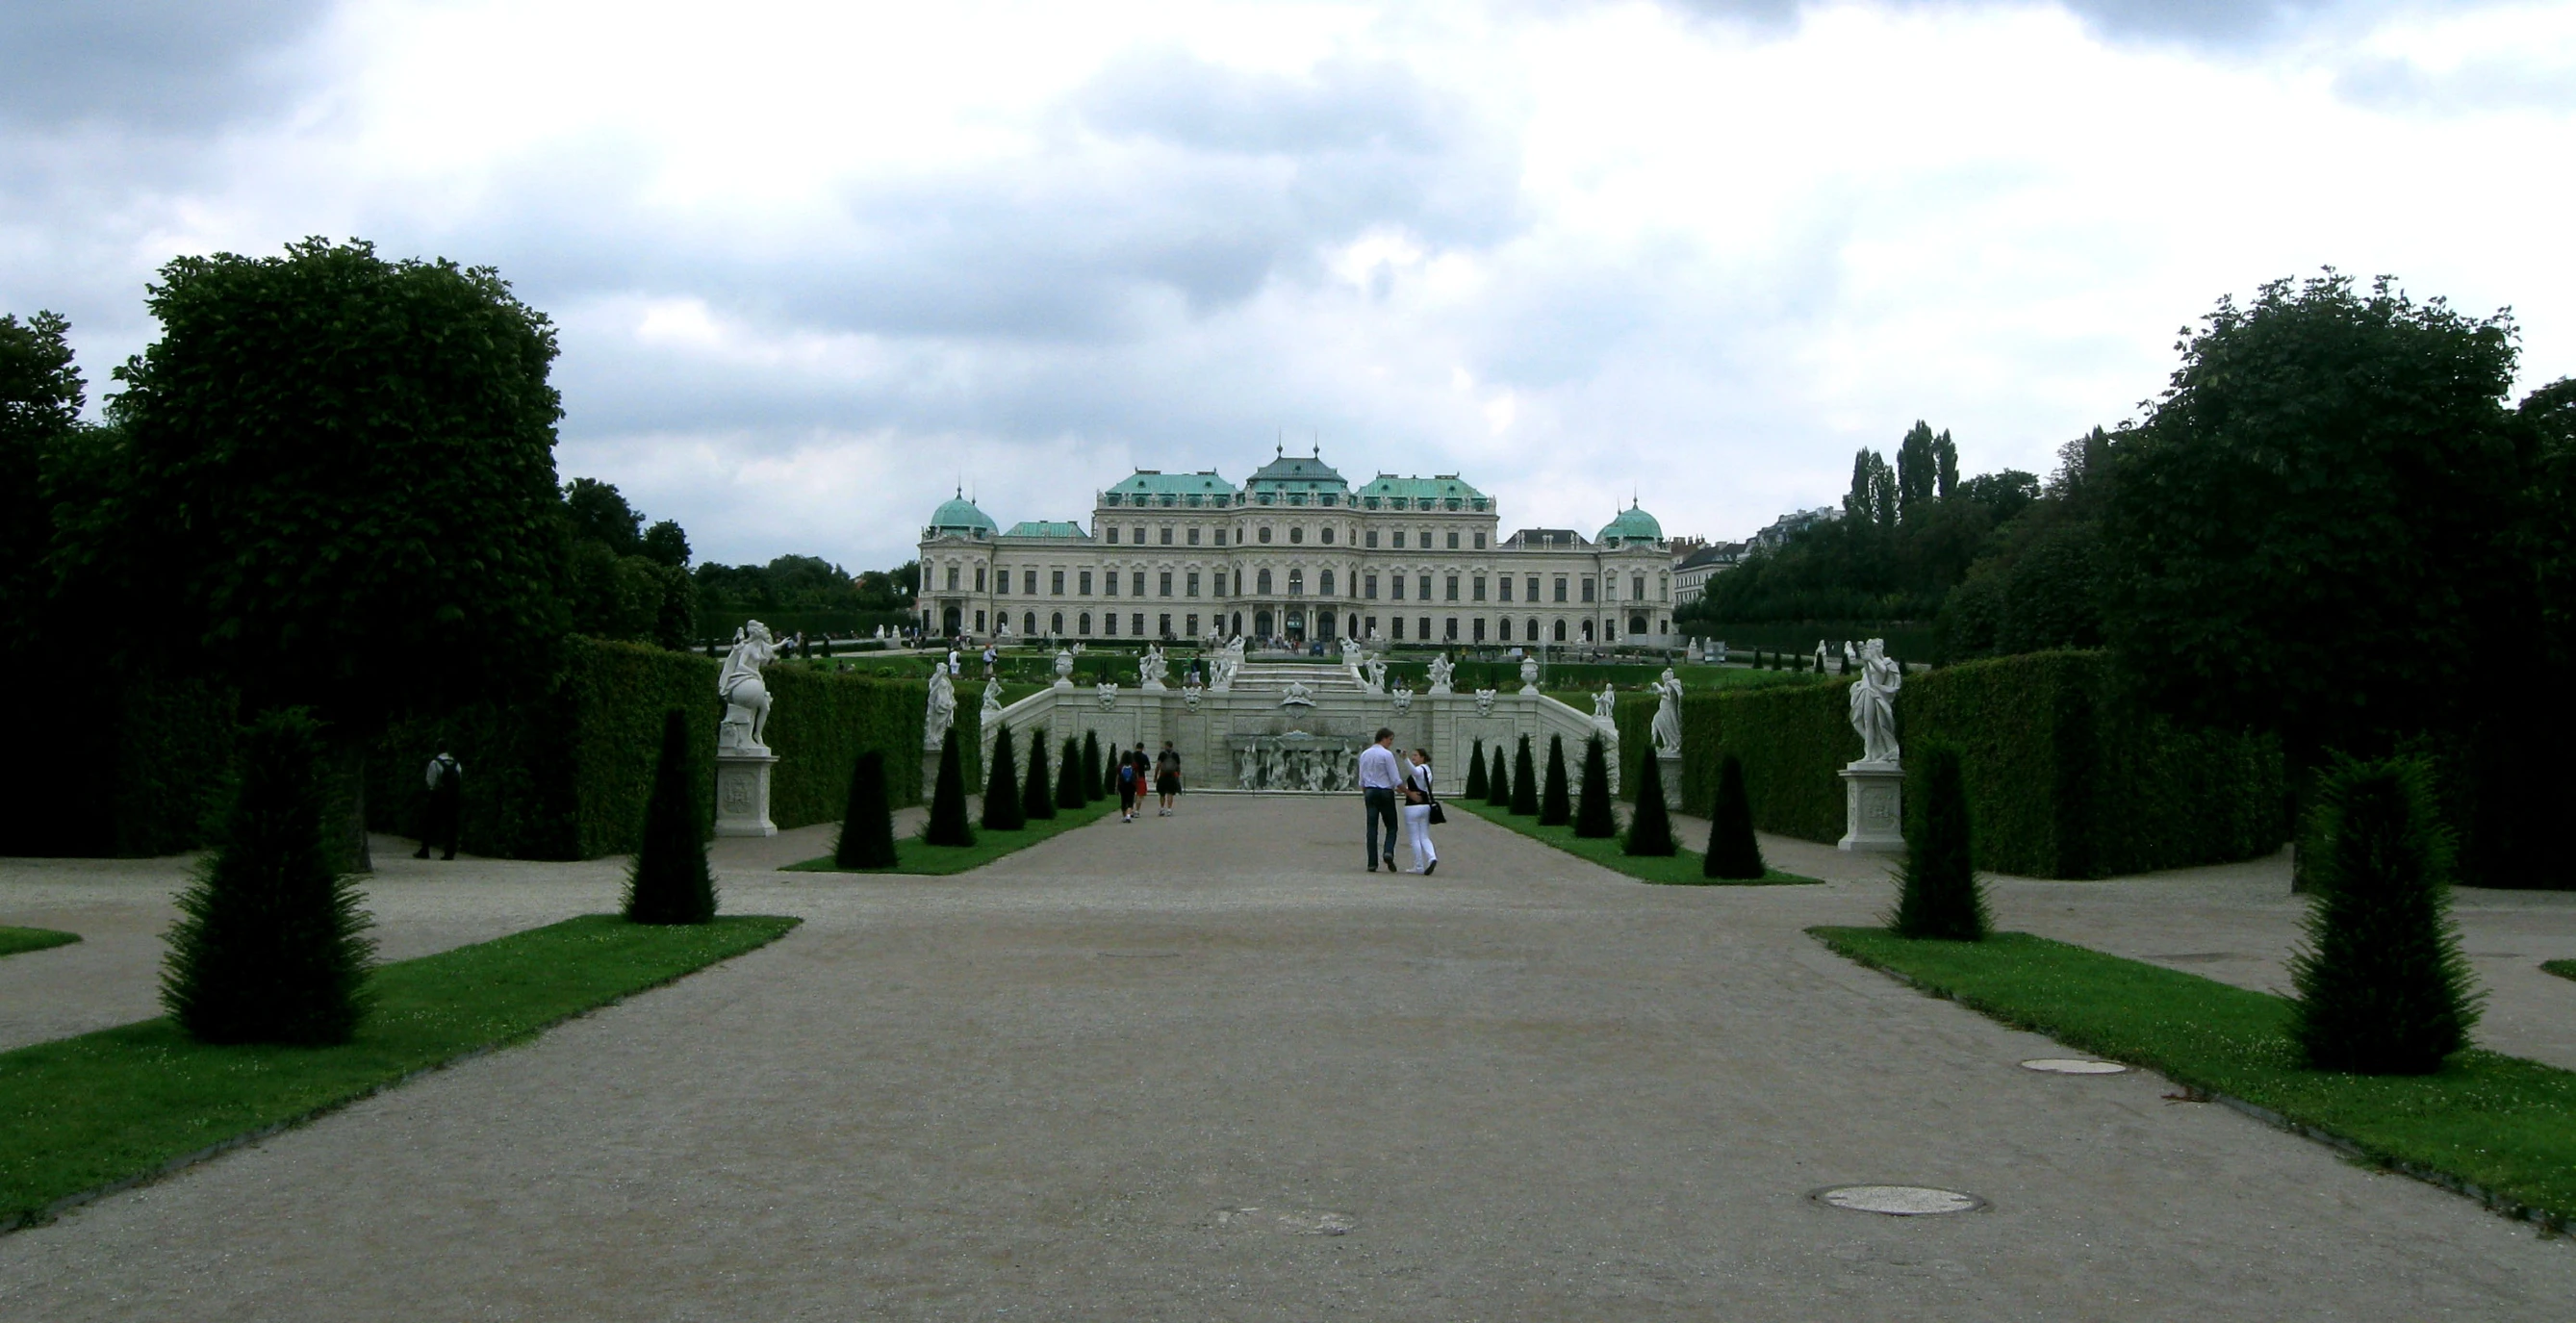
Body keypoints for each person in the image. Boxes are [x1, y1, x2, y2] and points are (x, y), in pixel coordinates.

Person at [1357, 727, 1402, 872]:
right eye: (1390, 739)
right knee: (1392, 826)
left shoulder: (1365, 754)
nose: (1391, 743)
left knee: (1372, 828)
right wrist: (1405, 790)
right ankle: (1388, 851)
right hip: (1385, 792)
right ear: (1383, 738)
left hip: (1370, 791)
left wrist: (1366, 792)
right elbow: (1395, 778)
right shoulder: (1386, 755)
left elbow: (1361, 779)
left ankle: (1372, 862)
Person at [415, 750, 462, 861]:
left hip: (438, 796)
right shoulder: (457, 764)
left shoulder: (435, 763)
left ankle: (425, 850)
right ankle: (449, 852)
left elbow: (431, 781)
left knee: (429, 823)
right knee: (452, 825)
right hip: (453, 797)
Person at [1401, 748, 1440, 874]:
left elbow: (1414, 771)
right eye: (1412, 755)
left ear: (1423, 757)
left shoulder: (1419, 770)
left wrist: (1405, 759)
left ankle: (1418, 866)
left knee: (1415, 838)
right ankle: (1432, 857)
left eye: (1416, 755)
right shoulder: (1428, 771)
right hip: (1425, 806)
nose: (1413, 757)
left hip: (1413, 806)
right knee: (1424, 836)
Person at [1155, 741, 1182, 816]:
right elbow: (1178, 766)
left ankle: (1162, 809)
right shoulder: (1175, 755)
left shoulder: (1162, 754)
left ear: (1166, 746)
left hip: (1163, 775)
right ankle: (1169, 809)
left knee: (1162, 793)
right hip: (1172, 776)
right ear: (1172, 746)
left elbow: (1158, 765)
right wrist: (1178, 775)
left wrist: (1156, 776)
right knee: (1170, 793)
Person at [1117, 745, 1140, 822]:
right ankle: (1128, 816)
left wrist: (1116, 787)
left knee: (1123, 800)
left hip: (1122, 785)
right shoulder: (1134, 765)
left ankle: (1124, 817)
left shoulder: (1120, 766)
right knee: (1130, 800)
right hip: (1131, 785)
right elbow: (1137, 776)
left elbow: (1117, 777)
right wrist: (1136, 784)